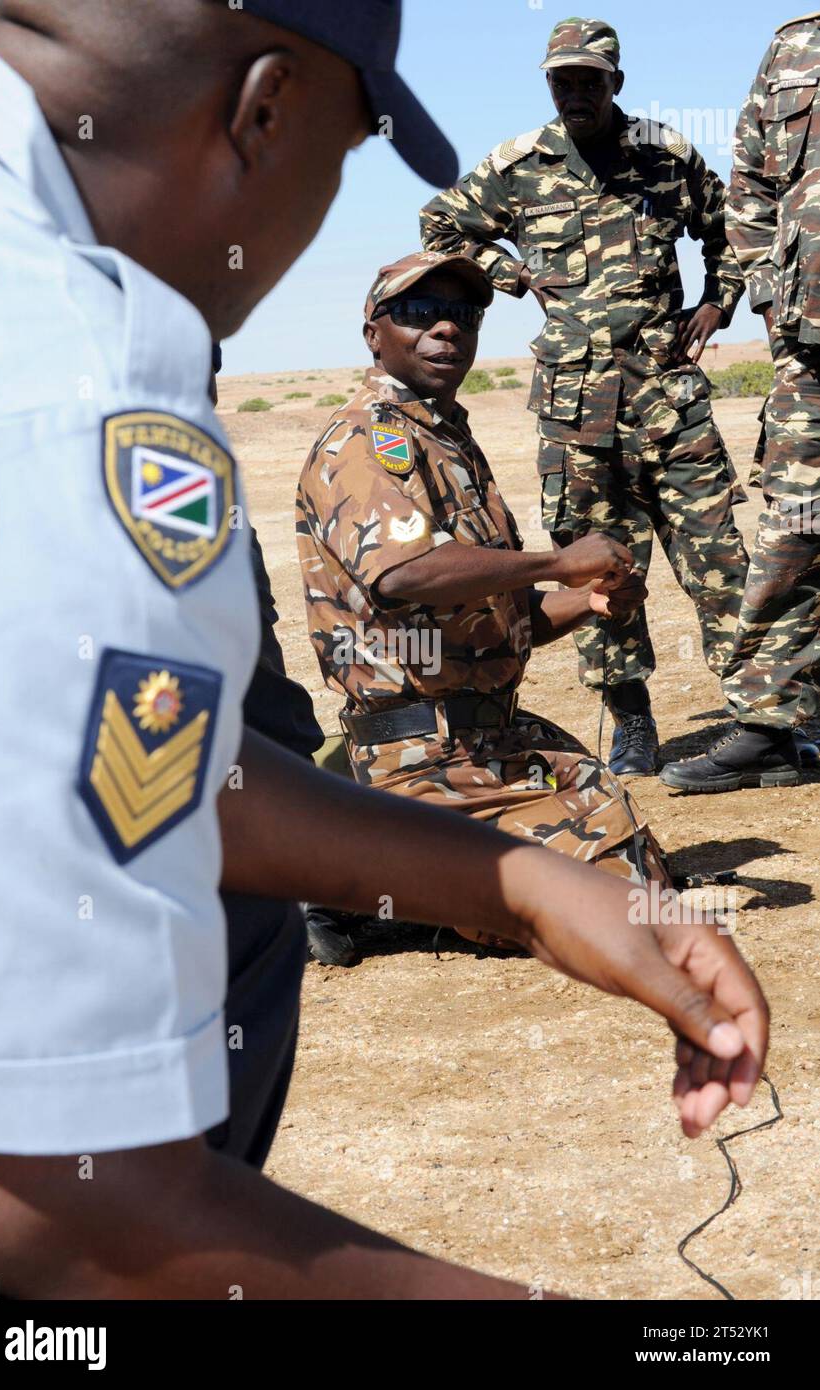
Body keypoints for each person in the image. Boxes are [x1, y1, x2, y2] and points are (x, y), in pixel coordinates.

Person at [0, 3, 768, 1301]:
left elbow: (146, 769)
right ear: (263, 109)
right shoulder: (64, 407)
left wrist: (523, 889)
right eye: (347, 154)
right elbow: (63, 1219)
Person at [419, 17, 749, 777]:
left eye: (588, 81)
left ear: (614, 83)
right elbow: (441, 225)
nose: (574, 93)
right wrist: (512, 276)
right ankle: (631, 723)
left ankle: (756, 715)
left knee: (717, 557)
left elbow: (729, 228)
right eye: (561, 81)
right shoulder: (519, 164)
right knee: (592, 568)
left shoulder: (665, 154)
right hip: (574, 407)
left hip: (668, 395)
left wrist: (716, 302)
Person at [297, 247, 674, 896]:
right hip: (417, 754)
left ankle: (378, 874)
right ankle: (351, 890)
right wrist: (559, 559)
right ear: (373, 333)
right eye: (419, 312)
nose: (446, 329)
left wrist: (586, 602)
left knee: (632, 851)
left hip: (488, 734)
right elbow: (404, 573)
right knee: (610, 898)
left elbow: (505, 617)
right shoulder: (364, 437)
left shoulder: (446, 441)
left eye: (463, 316)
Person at [660, 12, 820, 792]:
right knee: (793, 530)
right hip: (807, 343)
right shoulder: (793, 46)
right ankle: (768, 724)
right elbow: (751, 184)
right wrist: (767, 302)